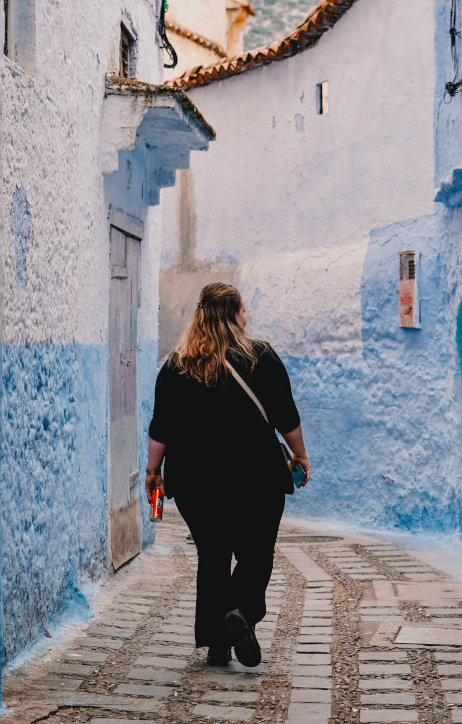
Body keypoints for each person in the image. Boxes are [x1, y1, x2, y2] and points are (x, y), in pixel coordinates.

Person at [144, 282, 310, 668]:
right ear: (235, 314)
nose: (246, 318)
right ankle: (239, 610)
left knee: (213, 555)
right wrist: (299, 455)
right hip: (257, 477)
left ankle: (218, 645)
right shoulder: (261, 356)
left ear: (200, 315)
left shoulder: (176, 364)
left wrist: (153, 471)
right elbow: (286, 415)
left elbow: (161, 426)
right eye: (243, 311)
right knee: (256, 555)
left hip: (195, 481)